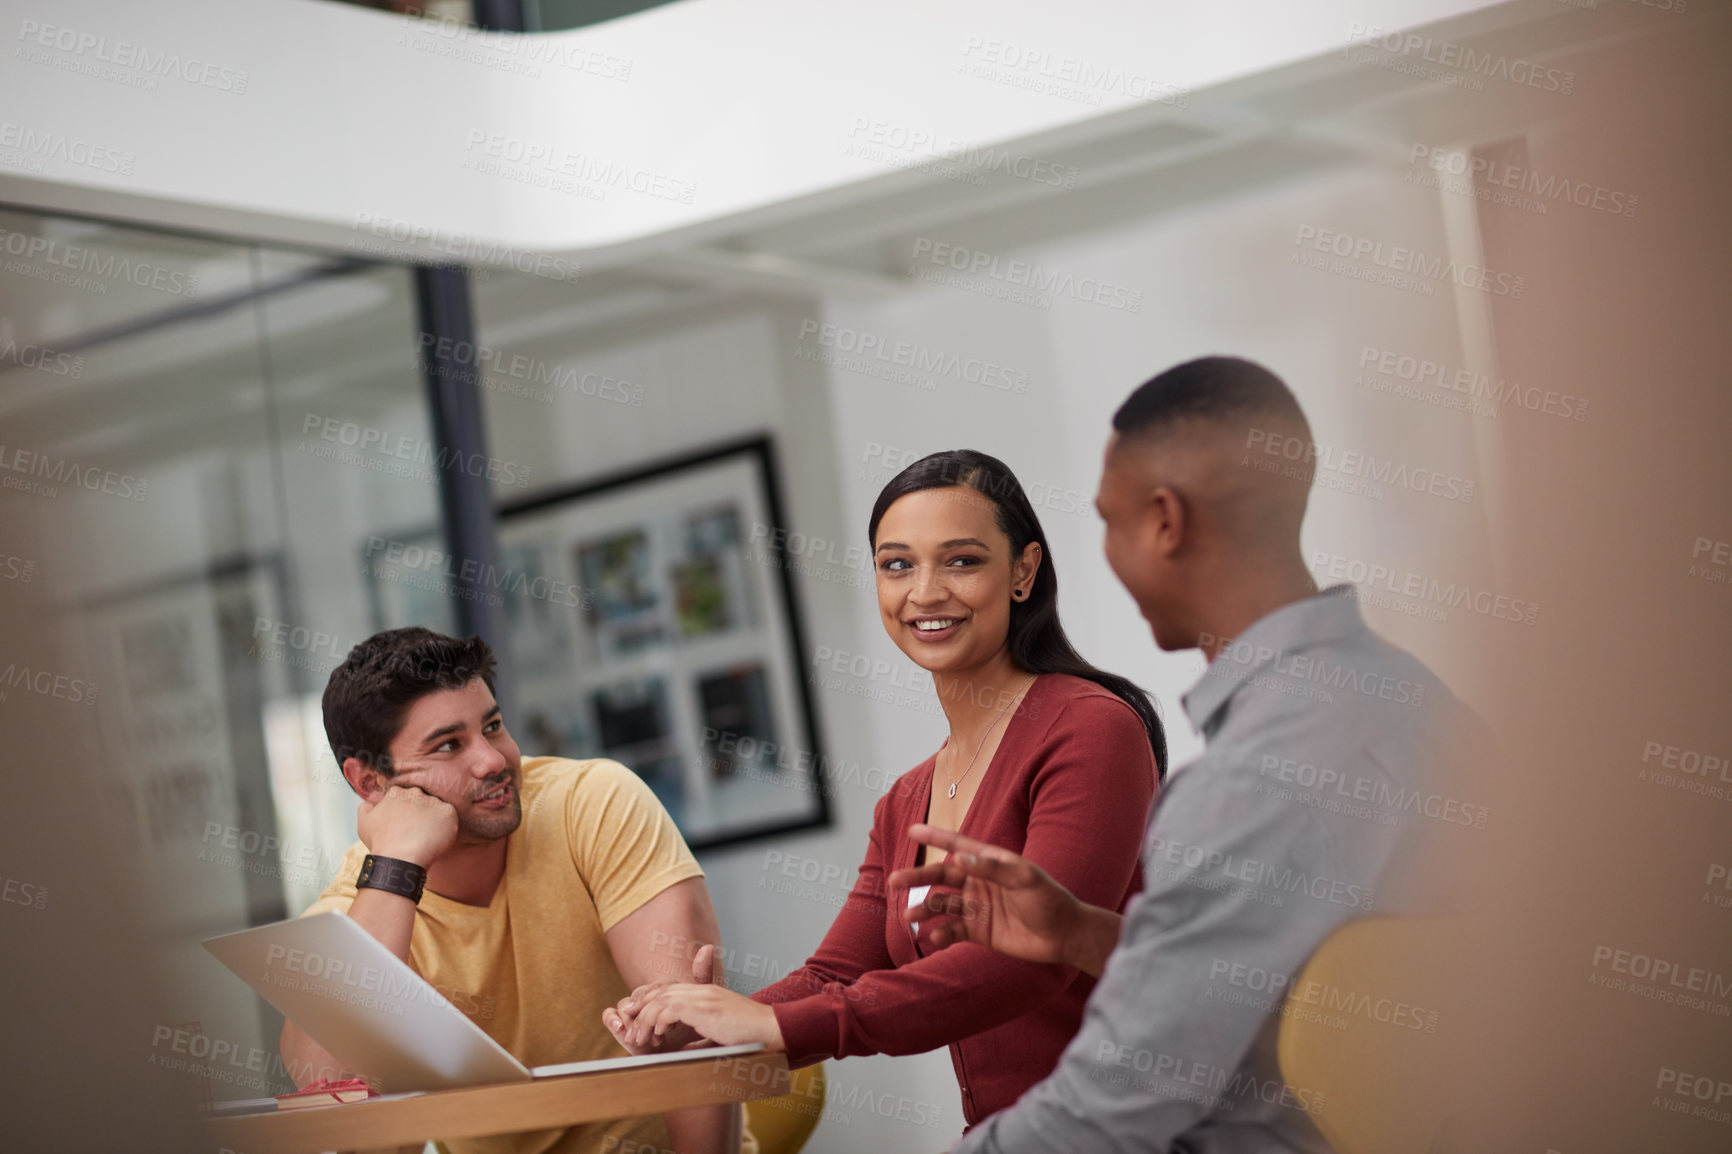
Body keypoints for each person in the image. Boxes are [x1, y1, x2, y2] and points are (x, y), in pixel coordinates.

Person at [893, 357, 1487, 1152]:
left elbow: (1112, 1105)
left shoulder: (1247, 784)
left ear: (1165, 521)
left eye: (1108, 520)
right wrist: (1083, 935)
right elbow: (1290, 992)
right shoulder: (1412, 700)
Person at [603, 450, 1167, 1131]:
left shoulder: (1088, 728)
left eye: (961, 560)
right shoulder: (906, 800)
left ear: (1023, 572)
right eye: (896, 564)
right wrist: (701, 1022)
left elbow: (1028, 965)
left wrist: (775, 1026)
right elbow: (834, 975)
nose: (924, 592)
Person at [283, 626, 751, 1154]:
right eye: (449, 746)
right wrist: (394, 865)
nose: (492, 760)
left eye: (493, 726)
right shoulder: (358, 909)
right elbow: (339, 1098)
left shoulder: (593, 805)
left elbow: (692, 1039)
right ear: (370, 783)